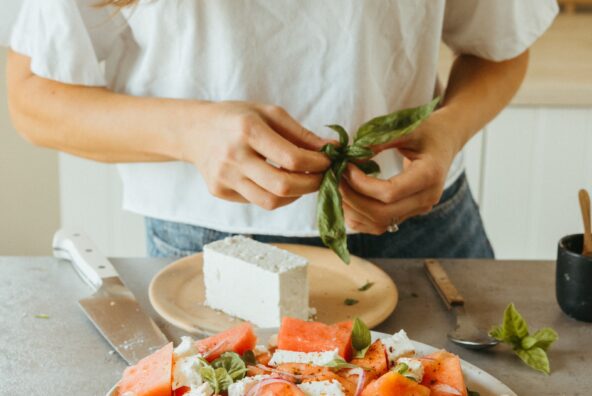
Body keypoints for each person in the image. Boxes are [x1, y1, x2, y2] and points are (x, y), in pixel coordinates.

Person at [2, 0, 558, 259]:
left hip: (423, 227)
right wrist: (190, 134)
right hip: (205, 246)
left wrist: (448, 130)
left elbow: (501, 47)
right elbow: (33, 99)